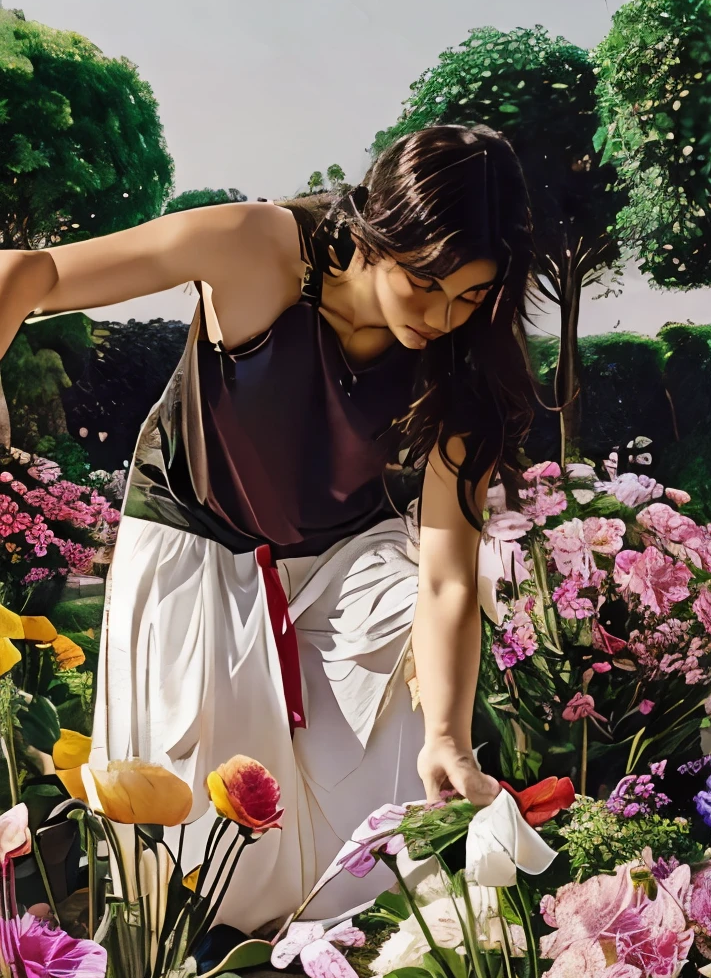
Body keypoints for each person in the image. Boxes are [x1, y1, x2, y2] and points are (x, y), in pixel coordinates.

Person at [0, 124, 535, 931]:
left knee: (402, 675)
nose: (442, 316)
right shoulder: (256, 247)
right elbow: (31, 273)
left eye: (469, 297)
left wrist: (450, 737)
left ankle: (368, 905)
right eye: (426, 285)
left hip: (348, 552)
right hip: (196, 534)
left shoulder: (464, 369)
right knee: (207, 870)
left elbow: (446, 575)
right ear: (375, 230)